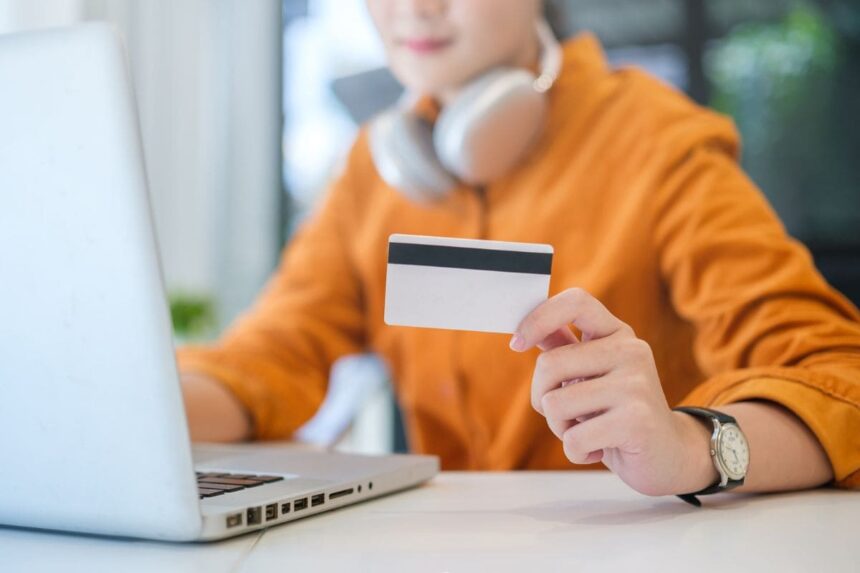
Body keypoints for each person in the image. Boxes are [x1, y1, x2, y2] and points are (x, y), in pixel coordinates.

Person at [178, 0, 860, 500]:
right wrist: (125, 400)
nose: (413, 9)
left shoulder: (655, 141)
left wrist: (691, 445)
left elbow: (840, 376)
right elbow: (264, 362)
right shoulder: (371, 171)